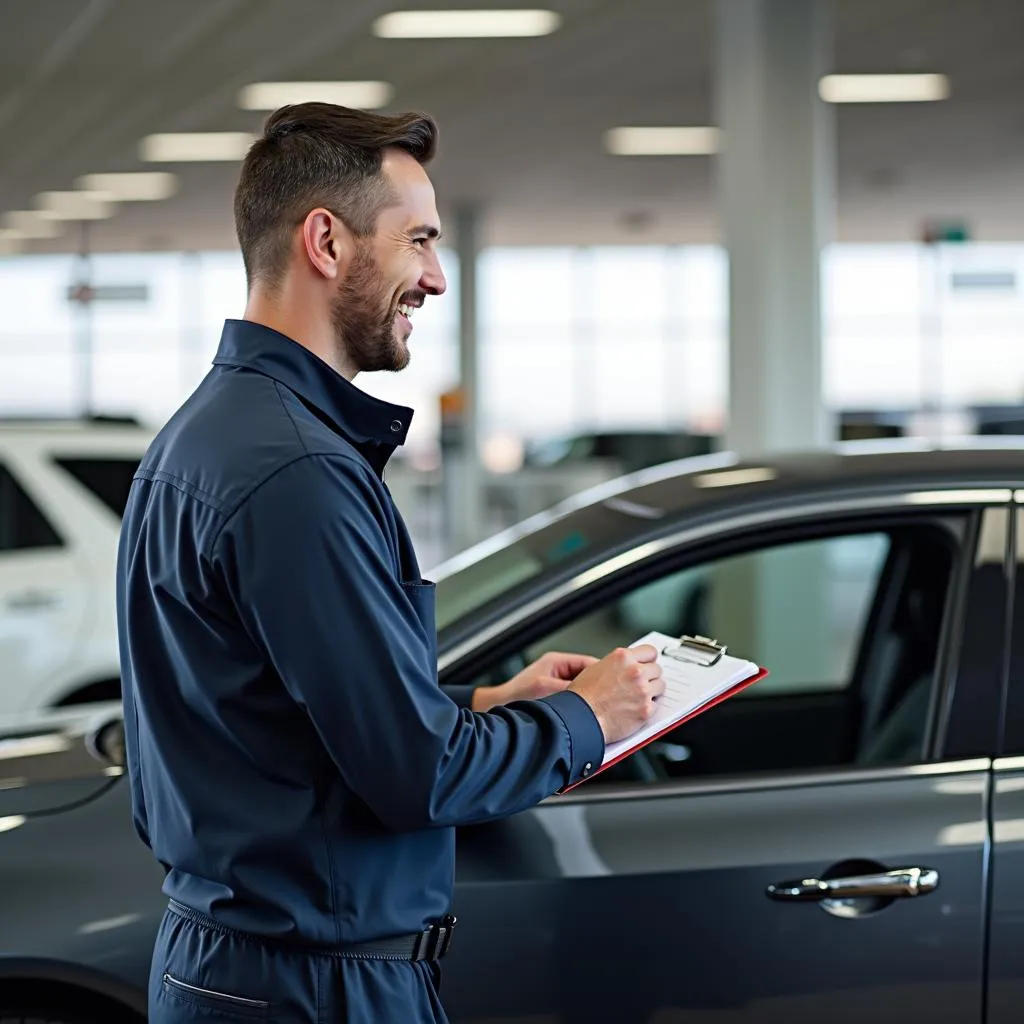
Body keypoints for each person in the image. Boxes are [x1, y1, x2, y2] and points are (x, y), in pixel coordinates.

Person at [115, 102, 665, 1024]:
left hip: (238, 964)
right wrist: (587, 718)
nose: (437, 278)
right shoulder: (298, 472)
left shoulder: (209, 436)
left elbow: (271, 708)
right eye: (418, 241)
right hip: (312, 986)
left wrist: (490, 706)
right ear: (325, 241)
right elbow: (420, 776)